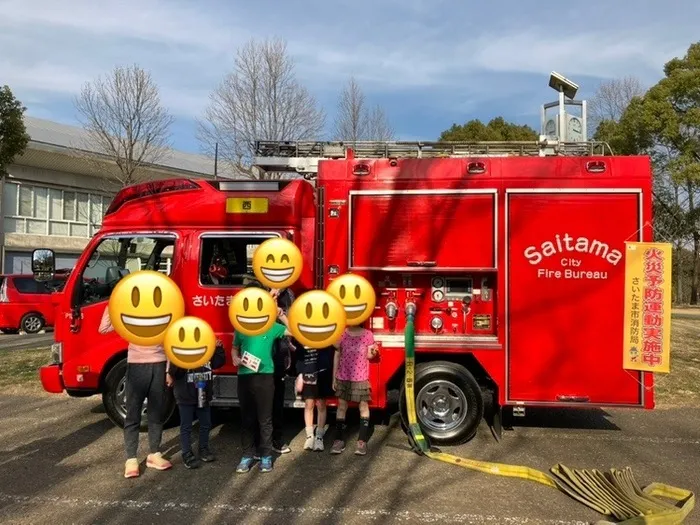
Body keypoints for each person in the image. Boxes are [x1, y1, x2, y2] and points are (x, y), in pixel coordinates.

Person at [99, 306, 172, 478]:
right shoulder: (130, 313)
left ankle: (154, 454)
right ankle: (131, 459)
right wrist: (114, 302)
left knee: (156, 413)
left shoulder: (164, 308)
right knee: (133, 414)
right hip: (136, 366)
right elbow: (104, 329)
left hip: (159, 365)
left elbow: (170, 343)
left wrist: (169, 371)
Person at [233, 306, 293, 473]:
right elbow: (234, 347)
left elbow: (294, 332)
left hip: (266, 377)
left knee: (265, 418)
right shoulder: (241, 327)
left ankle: (266, 456)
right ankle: (247, 456)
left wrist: (281, 315)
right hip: (245, 376)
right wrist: (235, 358)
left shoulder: (271, 326)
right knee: (247, 418)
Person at [167, 340, 226, 469]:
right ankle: (186, 453)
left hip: (202, 392)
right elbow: (174, 372)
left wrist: (218, 349)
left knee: (206, 424)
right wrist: (182, 357)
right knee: (186, 426)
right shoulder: (180, 351)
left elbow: (218, 363)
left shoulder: (207, 349)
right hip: (185, 395)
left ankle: (204, 448)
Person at [330, 324, 379, 456]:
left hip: (361, 377)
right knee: (341, 407)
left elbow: (369, 356)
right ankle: (339, 440)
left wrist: (374, 351)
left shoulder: (368, 334)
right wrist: (334, 377)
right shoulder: (341, 333)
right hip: (343, 376)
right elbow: (337, 354)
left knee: (363, 407)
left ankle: (362, 441)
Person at [269, 286, 296, 455]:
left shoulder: (289, 294)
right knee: (259, 404)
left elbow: (293, 330)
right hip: (258, 359)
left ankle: (277, 439)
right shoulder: (256, 288)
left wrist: (281, 314)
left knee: (277, 401)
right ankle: (259, 444)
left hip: (279, 355)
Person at [296, 343, 334, 451]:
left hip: (323, 373)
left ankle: (319, 436)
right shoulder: (303, 336)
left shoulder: (326, 334)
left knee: (321, 404)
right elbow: (299, 356)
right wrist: (299, 374)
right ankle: (309, 436)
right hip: (308, 373)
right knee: (309, 404)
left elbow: (334, 349)